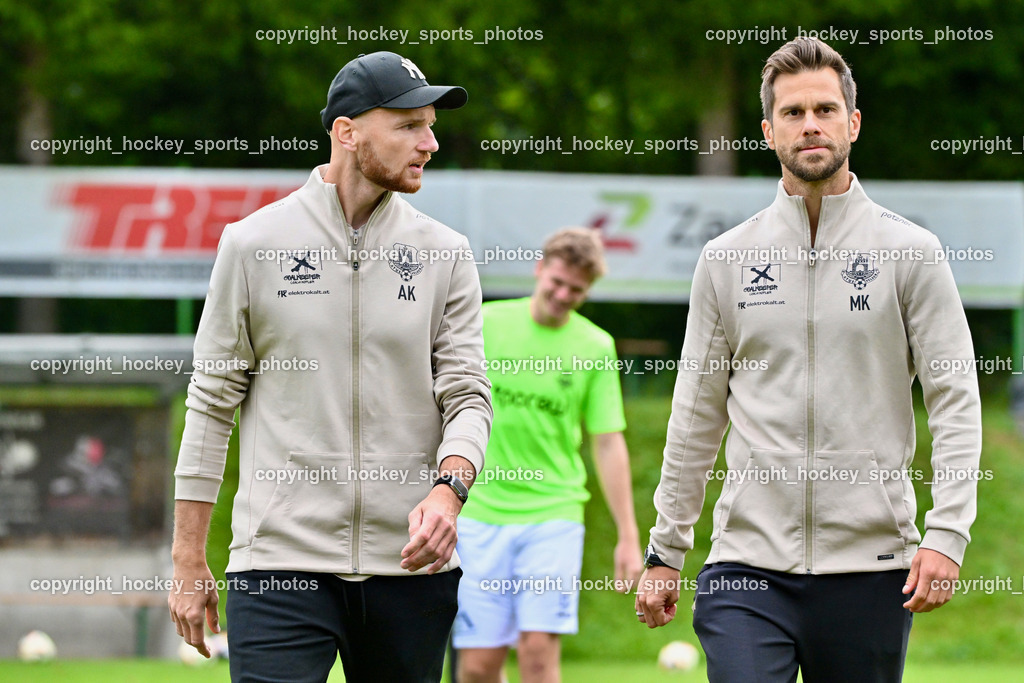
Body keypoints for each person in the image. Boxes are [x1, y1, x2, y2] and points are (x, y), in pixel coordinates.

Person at [635, 37, 982, 683]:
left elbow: (955, 397)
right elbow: (695, 415)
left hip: (872, 567)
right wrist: (666, 548)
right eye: (793, 113)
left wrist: (947, 533)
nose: (811, 124)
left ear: (853, 122)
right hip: (746, 566)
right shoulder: (726, 258)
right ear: (769, 131)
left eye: (825, 108)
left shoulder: (913, 251)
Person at [168, 51, 492, 683]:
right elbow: (210, 405)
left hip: (409, 568)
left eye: (430, 125)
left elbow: (468, 397)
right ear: (347, 132)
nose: (428, 143)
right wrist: (187, 558)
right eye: (407, 126)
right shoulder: (252, 243)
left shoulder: (446, 254)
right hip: (279, 562)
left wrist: (448, 492)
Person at [454, 227, 644, 683]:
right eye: (556, 282)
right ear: (539, 270)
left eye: (576, 290)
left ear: (588, 290)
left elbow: (607, 440)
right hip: (478, 511)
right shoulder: (485, 323)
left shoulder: (596, 347)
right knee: (479, 667)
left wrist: (628, 534)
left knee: (538, 654)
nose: (563, 295)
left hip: (553, 514)